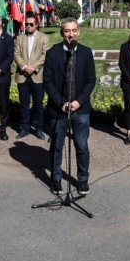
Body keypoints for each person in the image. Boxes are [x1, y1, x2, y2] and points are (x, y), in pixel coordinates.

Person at [44, 17, 96, 196]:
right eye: (67, 31)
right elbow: (48, 81)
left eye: (74, 30)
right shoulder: (53, 53)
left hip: (80, 109)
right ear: (62, 33)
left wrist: (78, 102)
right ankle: (56, 179)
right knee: (57, 146)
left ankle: (82, 180)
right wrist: (62, 103)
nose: (71, 34)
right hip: (58, 109)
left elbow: (91, 81)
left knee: (81, 146)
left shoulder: (86, 53)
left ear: (78, 32)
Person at [14, 13, 51, 140]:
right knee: (24, 104)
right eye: (26, 24)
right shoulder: (20, 38)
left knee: (38, 105)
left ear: (37, 25)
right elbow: (16, 54)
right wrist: (24, 67)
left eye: (31, 24)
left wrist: (33, 67)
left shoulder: (44, 38)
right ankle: (24, 128)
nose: (28, 26)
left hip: (37, 76)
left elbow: (45, 55)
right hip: (23, 75)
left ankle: (38, 128)